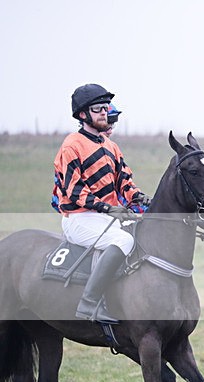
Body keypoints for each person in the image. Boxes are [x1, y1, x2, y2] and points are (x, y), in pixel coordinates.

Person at [53, 83, 150, 323]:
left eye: (106, 108)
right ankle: (88, 303)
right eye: (98, 109)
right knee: (124, 240)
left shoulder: (111, 147)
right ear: (83, 114)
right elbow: (74, 191)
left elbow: (124, 182)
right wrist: (108, 208)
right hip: (79, 218)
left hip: (105, 218)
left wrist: (139, 197)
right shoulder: (71, 145)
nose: (104, 113)